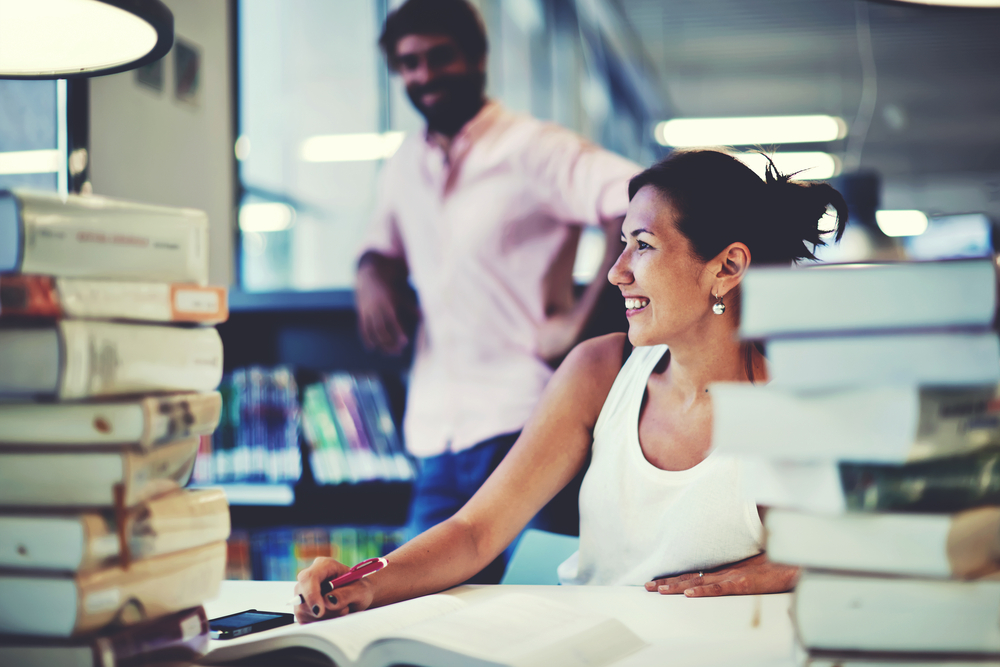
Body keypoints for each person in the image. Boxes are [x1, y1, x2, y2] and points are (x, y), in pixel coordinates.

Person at [294, 149, 849, 620]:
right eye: (623, 242)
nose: (616, 270)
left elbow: (871, 551)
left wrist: (815, 560)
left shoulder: (790, 407)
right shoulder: (599, 373)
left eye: (644, 245)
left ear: (727, 266)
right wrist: (369, 580)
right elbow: (475, 531)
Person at [355, 0, 641, 574]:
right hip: (435, 436)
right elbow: (380, 246)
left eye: (441, 57)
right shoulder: (404, 163)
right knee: (416, 611)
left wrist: (581, 321)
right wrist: (369, 274)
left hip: (526, 422)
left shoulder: (534, 148)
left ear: (478, 58)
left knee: (534, 615)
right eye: (409, 63)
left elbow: (637, 193)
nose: (425, 75)